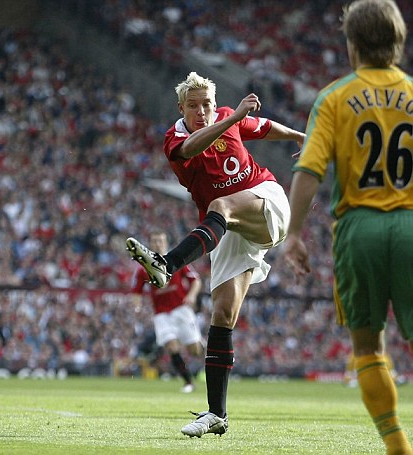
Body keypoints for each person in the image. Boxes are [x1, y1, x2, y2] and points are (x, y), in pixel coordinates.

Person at [125, 71, 304, 437]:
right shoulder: (175, 138)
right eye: (194, 106)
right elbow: (191, 148)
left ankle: (166, 264)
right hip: (228, 225)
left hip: (265, 200)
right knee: (221, 315)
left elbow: (265, 126)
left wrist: (303, 138)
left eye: (207, 104)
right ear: (181, 108)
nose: (203, 111)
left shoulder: (227, 115)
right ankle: (216, 414)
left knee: (221, 203)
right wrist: (234, 117)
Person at [283, 1, 413, 453]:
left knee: (368, 346)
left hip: (359, 229)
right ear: (399, 41)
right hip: (412, 223)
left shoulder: (336, 97)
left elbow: (309, 171)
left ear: (352, 46)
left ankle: (398, 447)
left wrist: (295, 232)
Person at [130, 230, 204, 393]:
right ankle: (188, 381)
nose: (157, 244)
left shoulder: (175, 259)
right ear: (150, 244)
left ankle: (202, 345)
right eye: (154, 241)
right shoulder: (143, 268)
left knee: (195, 350)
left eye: (160, 241)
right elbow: (136, 291)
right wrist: (137, 307)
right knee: (171, 346)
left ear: (165, 242)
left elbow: (196, 280)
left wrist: (191, 296)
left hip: (181, 309)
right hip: (162, 314)